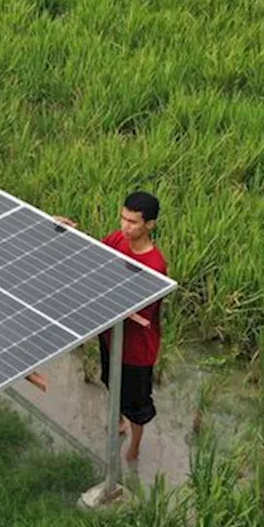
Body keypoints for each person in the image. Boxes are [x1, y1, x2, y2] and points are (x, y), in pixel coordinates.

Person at [57, 191, 168, 462]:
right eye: (123, 219)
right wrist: (71, 235)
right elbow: (97, 256)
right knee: (110, 381)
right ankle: (117, 422)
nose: (125, 226)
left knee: (137, 406)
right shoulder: (118, 239)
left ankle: (133, 449)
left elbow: (141, 315)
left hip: (135, 351)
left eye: (133, 222)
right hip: (111, 338)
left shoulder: (155, 266)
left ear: (150, 225)